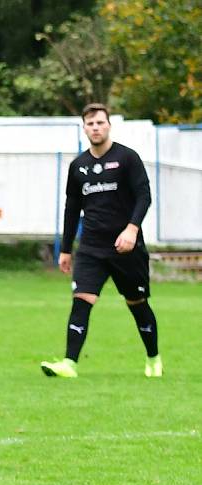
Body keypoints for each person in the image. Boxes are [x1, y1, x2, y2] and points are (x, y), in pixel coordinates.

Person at [41, 103, 161, 379]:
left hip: (125, 247)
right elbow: (72, 209)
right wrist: (66, 249)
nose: (95, 128)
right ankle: (69, 364)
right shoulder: (78, 166)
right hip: (91, 247)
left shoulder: (127, 158)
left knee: (137, 302)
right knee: (81, 299)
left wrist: (132, 229)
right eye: (90, 124)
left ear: (109, 125)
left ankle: (153, 359)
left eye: (100, 123)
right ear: (84, 128)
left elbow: (144, 196)